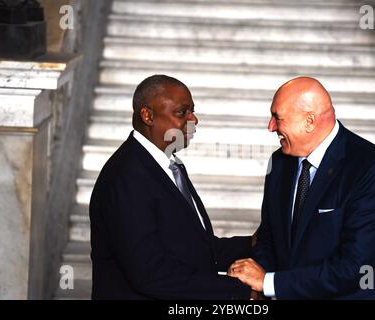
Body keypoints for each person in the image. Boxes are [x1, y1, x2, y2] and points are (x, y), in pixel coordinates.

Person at [228, 77, 375, 299]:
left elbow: (356, 267)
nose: (270, 127)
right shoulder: (279, 162)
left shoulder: (369, 167)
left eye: (277, 118)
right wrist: (256, 282)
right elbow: (269, 236)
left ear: (309, 121)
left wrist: (268, 282)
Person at [89, 74, 255, 299]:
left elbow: (194, 248)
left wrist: (254, 243)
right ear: (148, 115)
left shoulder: (167, 165)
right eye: (182, 112)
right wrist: (243, 292)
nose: (193, 119)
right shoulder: (127, 176)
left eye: (192, 110)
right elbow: (151, 275)